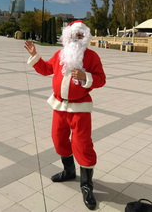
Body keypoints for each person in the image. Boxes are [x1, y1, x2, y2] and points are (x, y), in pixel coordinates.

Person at [24, 20, 106, 210]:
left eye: (80, 35)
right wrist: (35, 56)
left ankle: (86, 185)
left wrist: (86, 77)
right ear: (67, 36)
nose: (76, 39)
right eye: (73, 35)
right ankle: (69, 171)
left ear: (84, 37)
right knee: (58, 139)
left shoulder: (92, 56)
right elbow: (46, 69)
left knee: (82, 145)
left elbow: (101, 79)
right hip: (59, 106)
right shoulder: (60, 54)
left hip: (80, 109)